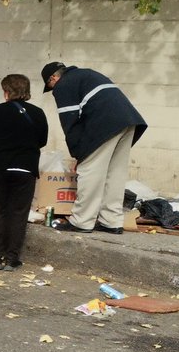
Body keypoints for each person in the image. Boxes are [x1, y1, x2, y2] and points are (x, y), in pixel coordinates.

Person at [41, 61, 147, 233]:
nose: (53, 90)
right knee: (115, 174)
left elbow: (70, 122)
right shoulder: (87, 74)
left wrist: (79, 155)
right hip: (129, 121)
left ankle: (82, 221)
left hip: (105, 125)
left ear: (53, 77)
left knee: (90, 171)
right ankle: (112, 222)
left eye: (50, 85)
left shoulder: (64, 85)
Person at [0, 73, 49, 270]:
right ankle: (12, 259)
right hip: (25, 169)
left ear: (7, 91)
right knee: (18, 213)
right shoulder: (38, 113)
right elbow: (42, 140)